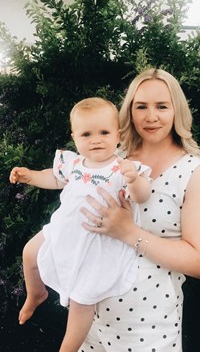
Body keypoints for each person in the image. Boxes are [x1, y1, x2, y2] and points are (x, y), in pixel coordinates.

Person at [9, 97, 152, 352]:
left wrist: (134, 180)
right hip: (63, 230)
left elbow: (142, 196)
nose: (95, 139)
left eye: (104, 132)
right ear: (74, 137)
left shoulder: (122, 168)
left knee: (82, 299)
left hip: (97, 243)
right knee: (30, 252)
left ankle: (68, 348)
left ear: (117, 135)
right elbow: (54, 178)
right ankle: (36, 294)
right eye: (86, 134)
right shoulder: (73, 163)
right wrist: (30, 175)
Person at [79, 69, 200, 352]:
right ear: (129, 111)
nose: (150, 116)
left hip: (149, 328)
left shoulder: (193, 171)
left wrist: (128, 232)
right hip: (90, 320)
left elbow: (197, 261)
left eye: (161, 106)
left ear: (177, 110)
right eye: (141, 106)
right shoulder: (112, 158)